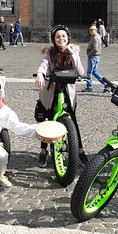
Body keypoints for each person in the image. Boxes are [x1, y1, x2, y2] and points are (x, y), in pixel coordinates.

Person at [34, 24, 87, 167]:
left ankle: (80, 151)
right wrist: (40, 74)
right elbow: (44, 64)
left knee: (73, 121)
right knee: (48, 121)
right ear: (53, 39)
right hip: (51, 92)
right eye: (57, 36)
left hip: (68, 92)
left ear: (68, 38)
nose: (61, 39)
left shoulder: (73, 52)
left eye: (63, 36)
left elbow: (81, 72)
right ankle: (43, 152)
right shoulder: (49, 52)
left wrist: (74, 54)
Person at [83, 24, 111, 93]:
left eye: (92, 30)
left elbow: (95, 49)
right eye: (90, 30)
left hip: (93, 56)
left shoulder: (95, 38)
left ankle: (89, 87)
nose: (90, 31)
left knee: (89, 72)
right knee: (94, 72)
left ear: (95, 30)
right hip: (95, 56)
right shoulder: (96, 37)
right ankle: (106, 84)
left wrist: (89, 54)